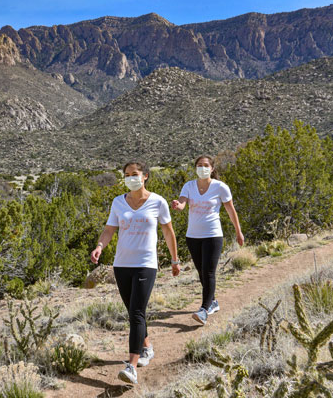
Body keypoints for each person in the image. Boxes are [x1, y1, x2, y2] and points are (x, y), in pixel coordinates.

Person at [90, 160, 180, 385]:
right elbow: (109, 229)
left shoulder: (158, 202)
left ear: (145, 176)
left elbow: (169, 233)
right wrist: (100, 246)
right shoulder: (118, 203)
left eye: (135, 174)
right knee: (133, 312)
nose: (131, 177)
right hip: (122, 265)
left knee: (137, 312)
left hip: (146, 264)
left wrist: (175, 260)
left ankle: (131, 366)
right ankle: (147, 347)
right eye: (127, 174)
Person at [171, 155, 244, 326]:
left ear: (212, 169)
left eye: (205, 165)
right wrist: (177, 205)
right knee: (202, 272)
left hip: (213, 235)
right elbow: (182, 204)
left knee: (209, 271)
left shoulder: (220, 187)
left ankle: (204, 310)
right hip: (193, 236)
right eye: (199, 165)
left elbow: (231, 211)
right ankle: (213, 302)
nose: (202, 168)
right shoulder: (189, 186)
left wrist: (238, 232)